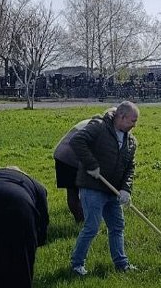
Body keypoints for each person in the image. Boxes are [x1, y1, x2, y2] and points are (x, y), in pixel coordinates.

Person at [69, 102, 139, 275]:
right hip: (93, 187)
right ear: (121, 116)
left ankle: (121, 264)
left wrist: (126, 189)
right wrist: (91, 165)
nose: (135, 125)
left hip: (113, 191)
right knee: (92, 227)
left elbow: (130, 167)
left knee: (117, 226)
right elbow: (77, 141)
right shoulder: (99, 127)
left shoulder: (131, 141)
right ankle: (77, 264)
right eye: (132, 120)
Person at [52, 119, 90, 224]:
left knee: (73, 191)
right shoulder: (102, 129)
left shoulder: (92, 122)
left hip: (61, 154)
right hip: (70, 157)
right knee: (82, 191)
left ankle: (82, 221)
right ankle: (82, 222)